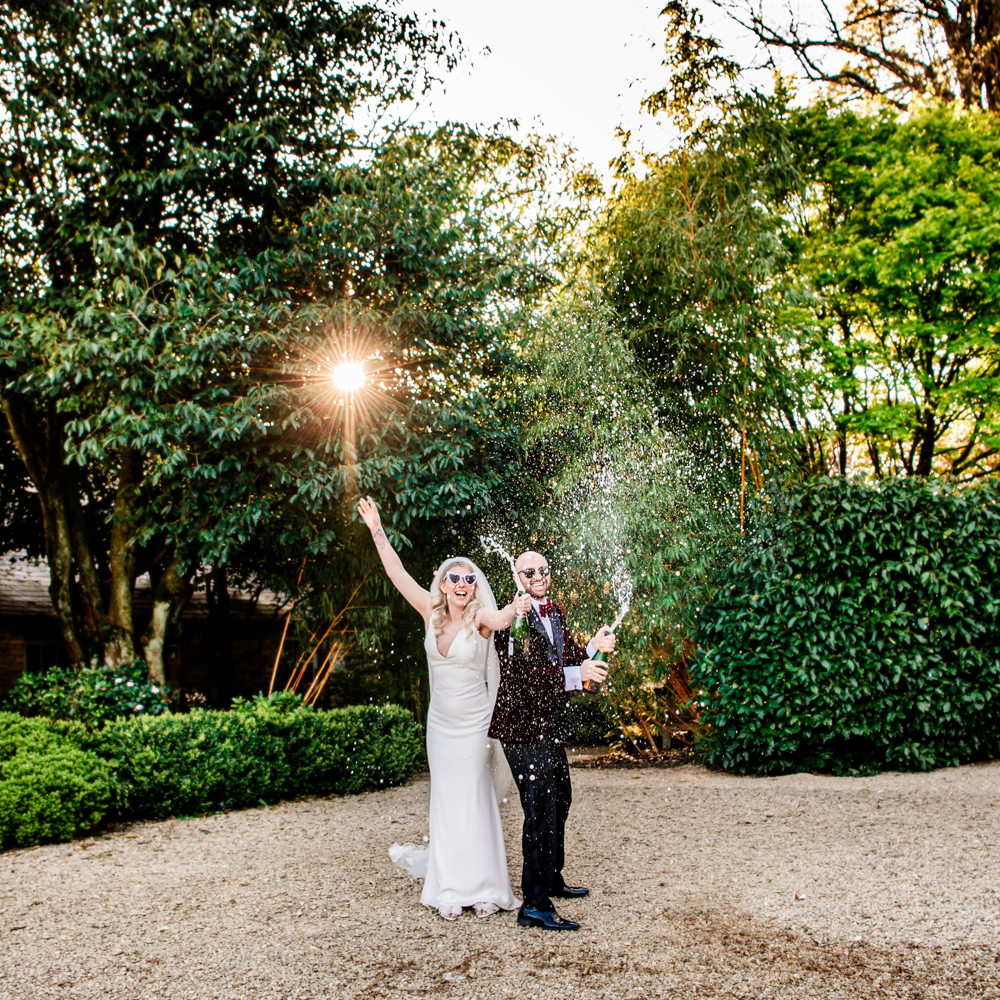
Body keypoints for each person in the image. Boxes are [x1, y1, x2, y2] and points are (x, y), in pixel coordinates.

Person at [358, 496, 527, 921]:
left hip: (474, 727)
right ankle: (450, 886)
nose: (461, 583)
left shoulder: (480, 619)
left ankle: (487, 886)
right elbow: (396, 573)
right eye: (454, 577)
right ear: (443, 583)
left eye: (468, 578)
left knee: (475, 799)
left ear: (473, 586)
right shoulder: (429, 612)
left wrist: (515, 607)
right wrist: (377, 528)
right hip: (441, 727)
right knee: (447, 801)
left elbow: (503, 616)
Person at [489, 550, 616, 931]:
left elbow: (568, 659)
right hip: (522, 728)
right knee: (540, 811)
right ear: (516, 576)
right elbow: (528, 677)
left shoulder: (555, 611)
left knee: (561, 798)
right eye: (529, 571)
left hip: (550, 725)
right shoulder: (515, 619)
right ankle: (535, 905)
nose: (539, 575)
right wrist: (579, 671)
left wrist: (593, 647)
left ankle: (551, 877)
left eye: (544, 569)